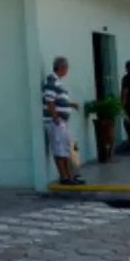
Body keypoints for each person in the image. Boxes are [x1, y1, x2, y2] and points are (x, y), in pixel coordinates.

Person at [43, 56, 85, 185]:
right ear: (61, 67)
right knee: (60, 149)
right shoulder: (51, 82)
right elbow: (49, 101)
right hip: (57, 122)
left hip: (62, 122)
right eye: (66, 68)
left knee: (70, 147)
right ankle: (64, 177)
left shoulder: (58, 83)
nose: (67, 71)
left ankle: (71, 175)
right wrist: (55, 117)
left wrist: (70, 104)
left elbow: (58, 101)